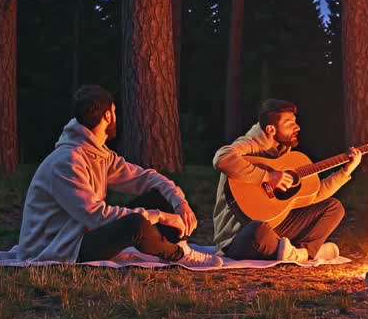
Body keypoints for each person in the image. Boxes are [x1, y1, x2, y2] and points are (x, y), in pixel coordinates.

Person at [15, 84, 221, 267]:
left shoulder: (99, 155)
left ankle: (177, 246)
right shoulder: (66, 162)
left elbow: (146, 178)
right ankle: (178, 254)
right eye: (114, 111)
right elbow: (96, 216)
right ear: (107, 116)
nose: (116, 116)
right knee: (135, 224)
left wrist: (179, 202)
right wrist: (160, 216)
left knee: (158, 195)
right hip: (59, 249)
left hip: (81, 234)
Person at [213, 99, 359, 262]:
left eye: (295, 123)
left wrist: (346, 171)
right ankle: (305, 253)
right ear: (270, 129)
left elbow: (313, 195)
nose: (297, 127)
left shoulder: (285, 156)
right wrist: (267, 177)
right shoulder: (249, 145)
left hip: (277, 226)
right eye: (290, 124)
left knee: (333, 207)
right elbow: (221, 157)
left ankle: (298, 252)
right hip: (239, 237)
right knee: (258, 229)